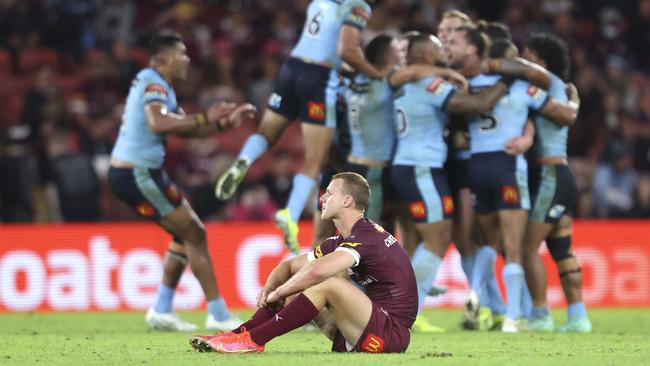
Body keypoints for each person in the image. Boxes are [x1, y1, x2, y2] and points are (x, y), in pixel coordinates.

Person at [108, 30, 256, 331]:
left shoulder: (160, 85)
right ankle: (218, 314)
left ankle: (162, 309)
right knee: (196, 234)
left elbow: (185, 129)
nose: (188, 59)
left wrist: (222, 123)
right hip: (138, 173)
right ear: (164, 59)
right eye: (182, 54)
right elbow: (157, 122)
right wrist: (205, 118)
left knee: (183, 235)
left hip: (140, 172)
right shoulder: (154, 82)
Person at [214, 0, 387, 254]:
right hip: (319, 78)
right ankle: (290, 214)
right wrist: (376, 74)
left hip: (292, 68)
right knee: (315, 159)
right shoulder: (358, 5)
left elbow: (331, 46)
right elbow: (347, 49)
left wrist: (348, 66)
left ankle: (244, 160)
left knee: (266, 134)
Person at [189, 172, 418, 354]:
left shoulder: (366, 237)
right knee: (302, 280)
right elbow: (288, 267)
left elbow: (318, 271)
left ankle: (253, 341)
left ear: (348, 201)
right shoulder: (341, 240)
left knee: (327, 283)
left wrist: (280, 292)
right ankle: (236, 335)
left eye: (329, 194)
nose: (322, 198)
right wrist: (271, 288)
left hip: (390, 335)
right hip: (365, 329)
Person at [445, 26, 578, 332]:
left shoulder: (469, 85)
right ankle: (514, 317)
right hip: (507, 167)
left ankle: (475, 292)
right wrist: (573, 104)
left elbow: (456, 123)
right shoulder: (522, 88)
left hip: (476, 166)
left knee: (488, 241)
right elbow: (560, 114)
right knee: (515, 247)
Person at [390, 33, 509, 332]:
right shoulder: (431, 85)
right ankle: (405, 312)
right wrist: (507, 81)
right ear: (426, 56)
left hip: (414, 166)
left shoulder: (407, 83)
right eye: (437, 47)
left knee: (427, 240)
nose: (443, 50)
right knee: (437, 239)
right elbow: (478, 105)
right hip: (421, 168)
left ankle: (402, 309)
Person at [522, 33, 592, 333]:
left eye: (528, 54)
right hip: (561, 174)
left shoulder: (545, 85)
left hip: (549, 176)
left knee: (527, 248)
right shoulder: (560, 89)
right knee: (561, 248)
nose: (523, 60)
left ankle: (540, 315)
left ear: (541, 60)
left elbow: (561, 117)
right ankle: (578, 317)